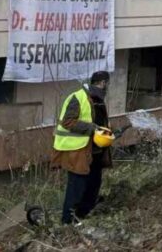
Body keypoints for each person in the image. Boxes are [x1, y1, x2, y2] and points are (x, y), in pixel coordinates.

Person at [53, 71, 112, 224]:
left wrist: (107, 132)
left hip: (95, 151)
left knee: (93, 185)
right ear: (103, 83)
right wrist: (92, 128)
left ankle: (83, 215)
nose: (108, 87)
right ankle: (67, 221)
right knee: (76, 187)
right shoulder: (78, 97)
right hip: (78, 151)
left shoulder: (98, 100)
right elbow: (68, 122)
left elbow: (99, 122)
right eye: (107, 84)